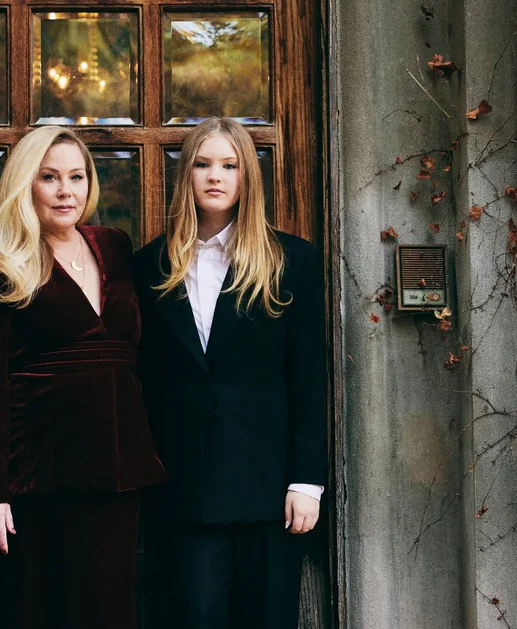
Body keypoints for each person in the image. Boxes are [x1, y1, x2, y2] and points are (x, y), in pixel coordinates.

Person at [0, 125, 167, 629]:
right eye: (49, 177)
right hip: (37, 480)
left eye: (76, 177)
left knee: (107, 610)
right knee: (36, 611)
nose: (65, 190)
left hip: (117, 473)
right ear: (26, 183)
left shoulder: (114, 247)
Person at [134, 117, 327, 629]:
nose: (214, 176)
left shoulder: (293, 261)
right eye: (202, 164)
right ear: (186, 176)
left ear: (247, 178)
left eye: (229, 165)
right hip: (185, 487)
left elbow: (309, 377)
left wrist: (307, 481)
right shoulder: (148, 266)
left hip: (269, 489)